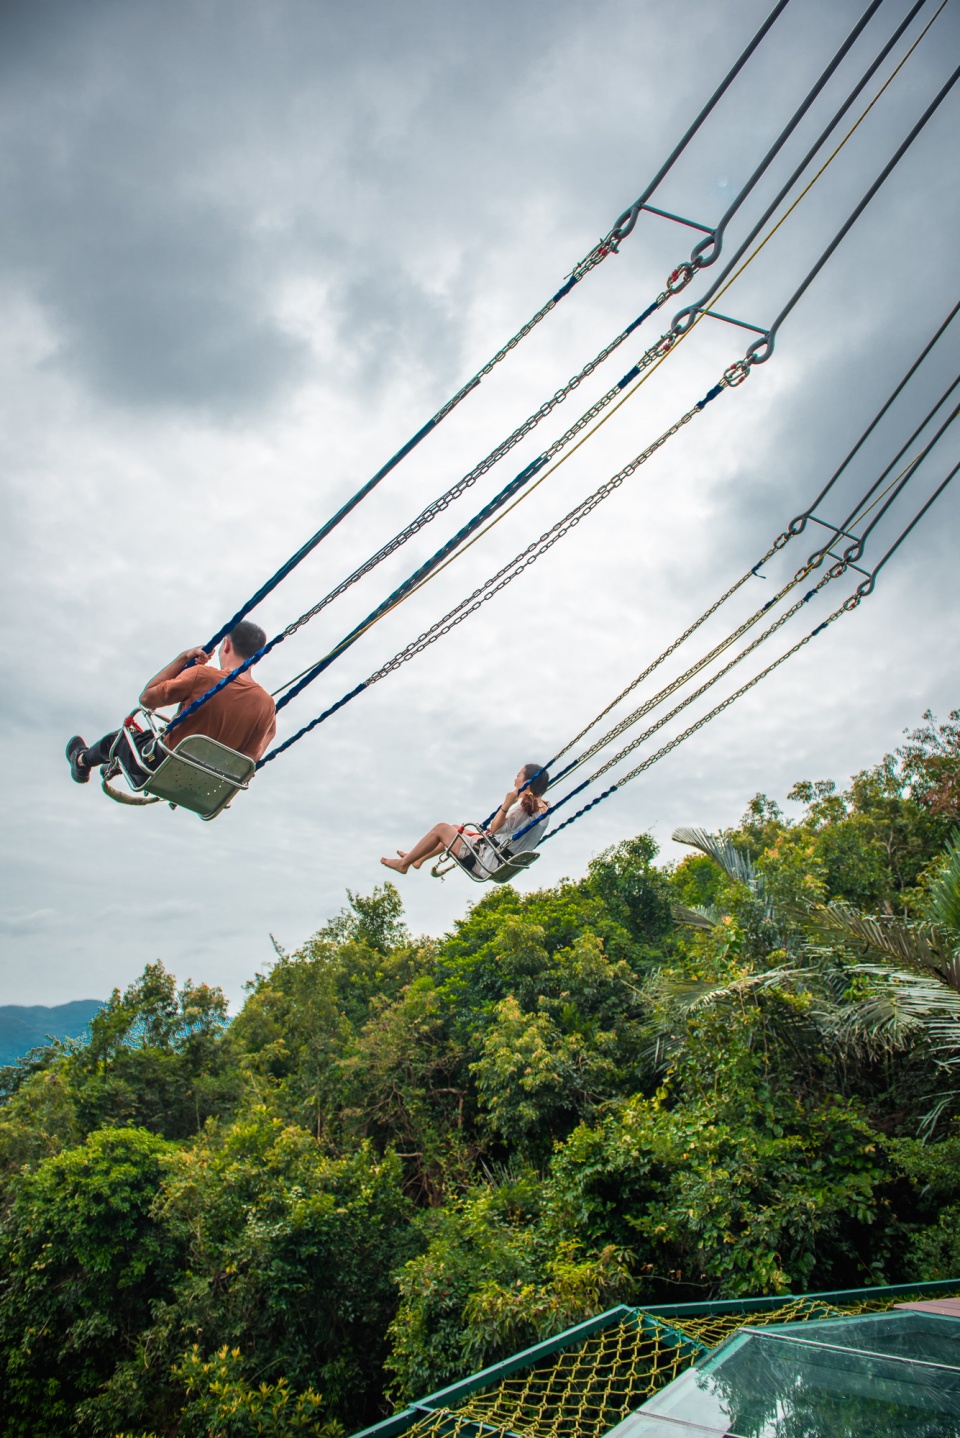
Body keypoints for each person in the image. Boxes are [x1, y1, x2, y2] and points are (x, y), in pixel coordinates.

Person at [65, 620, 277, 784]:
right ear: (258, 656)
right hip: (207, 785)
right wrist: (269, 728)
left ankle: (81, 761)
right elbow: (250, 758)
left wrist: (183, 659)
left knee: (120, 739)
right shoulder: (266, 705)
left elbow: (147, 698)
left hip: (159, 768)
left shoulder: (202, 676)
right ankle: (117, 765)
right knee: (148, 738)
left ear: (227, 645)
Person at [381, 763, 550, 876]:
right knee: (455, 828)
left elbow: (495, 828)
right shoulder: (544, 809)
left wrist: (506, 805)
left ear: (527, 782)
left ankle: (403, 864)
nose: (515, 779)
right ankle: (418, 858)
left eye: (518, 775)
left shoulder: (524, 809)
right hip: (500, 857)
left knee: (441, 828)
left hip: (488, 861)